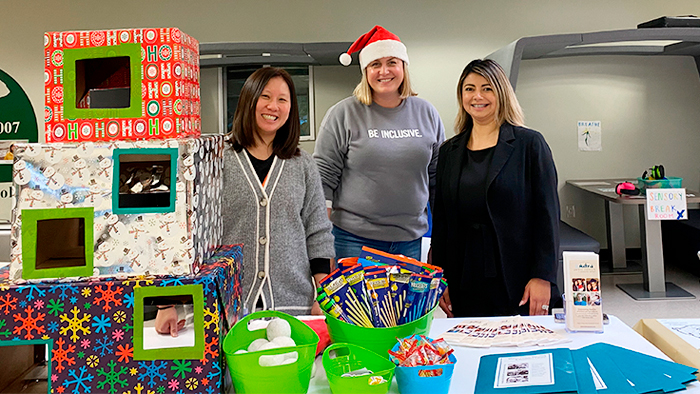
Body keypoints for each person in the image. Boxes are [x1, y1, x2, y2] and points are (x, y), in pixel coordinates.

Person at [432, 59, 560, 318]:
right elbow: (443, 221)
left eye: (487, 88)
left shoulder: (529, 144)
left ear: (501, 93)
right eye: (469, 89)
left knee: (520, 350)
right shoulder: (449, 151)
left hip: (518, 275)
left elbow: (547, 216)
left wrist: (543, 276)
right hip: (464, 276)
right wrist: (439, 277)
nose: (477, 96)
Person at [314, 26, 445, 260]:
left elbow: (438, 181)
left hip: (410, 241)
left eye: (392, 62)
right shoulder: (343, 114)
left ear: (403, 66)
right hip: (352, 240)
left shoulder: (427, 113)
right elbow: (323, 180)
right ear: (365, 71)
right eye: (375, 64)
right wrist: (322, 248)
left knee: (403, 300)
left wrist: (441, 241)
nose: (384, 71)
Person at [221, 67, 335, 316]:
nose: (273, 106)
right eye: (265, 96)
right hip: (230, 306)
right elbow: (194, 234)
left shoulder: (303, 164)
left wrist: (324, 296)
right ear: (248, 99)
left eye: (282, 99)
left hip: (293, 305)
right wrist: (170, 303)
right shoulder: (218, 160)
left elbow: (318, 232)